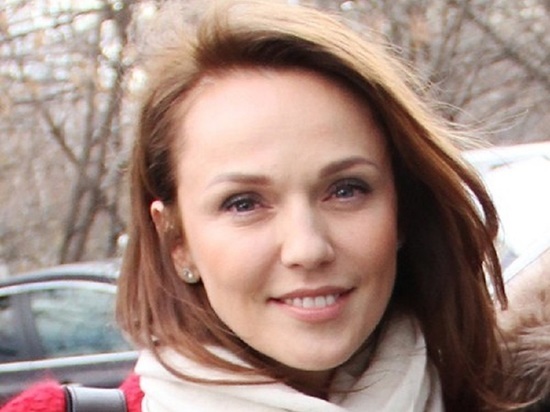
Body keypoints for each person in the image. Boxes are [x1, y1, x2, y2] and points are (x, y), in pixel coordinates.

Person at [1, 1, 524, 411]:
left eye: (346, 189)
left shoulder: (506, 400)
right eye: (244, 203)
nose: (307, 248)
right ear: (177, 241)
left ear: (402, 211)